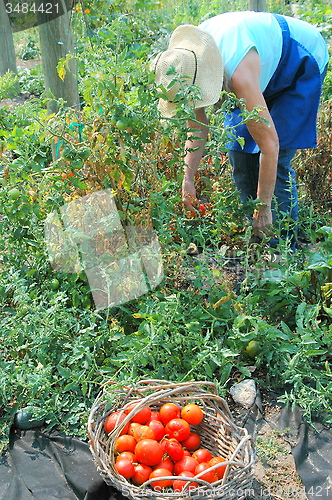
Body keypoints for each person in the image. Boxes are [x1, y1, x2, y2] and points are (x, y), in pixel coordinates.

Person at [151, 11, 329, 249]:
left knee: (278, 162)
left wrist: (264, 206)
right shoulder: (188, 67)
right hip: (255, 63)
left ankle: (283, 253)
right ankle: (260, 239)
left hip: (298, 57)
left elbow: (270, 146)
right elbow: (197, 129)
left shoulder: (238, 76)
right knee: (240, 153)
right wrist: (187, 180)